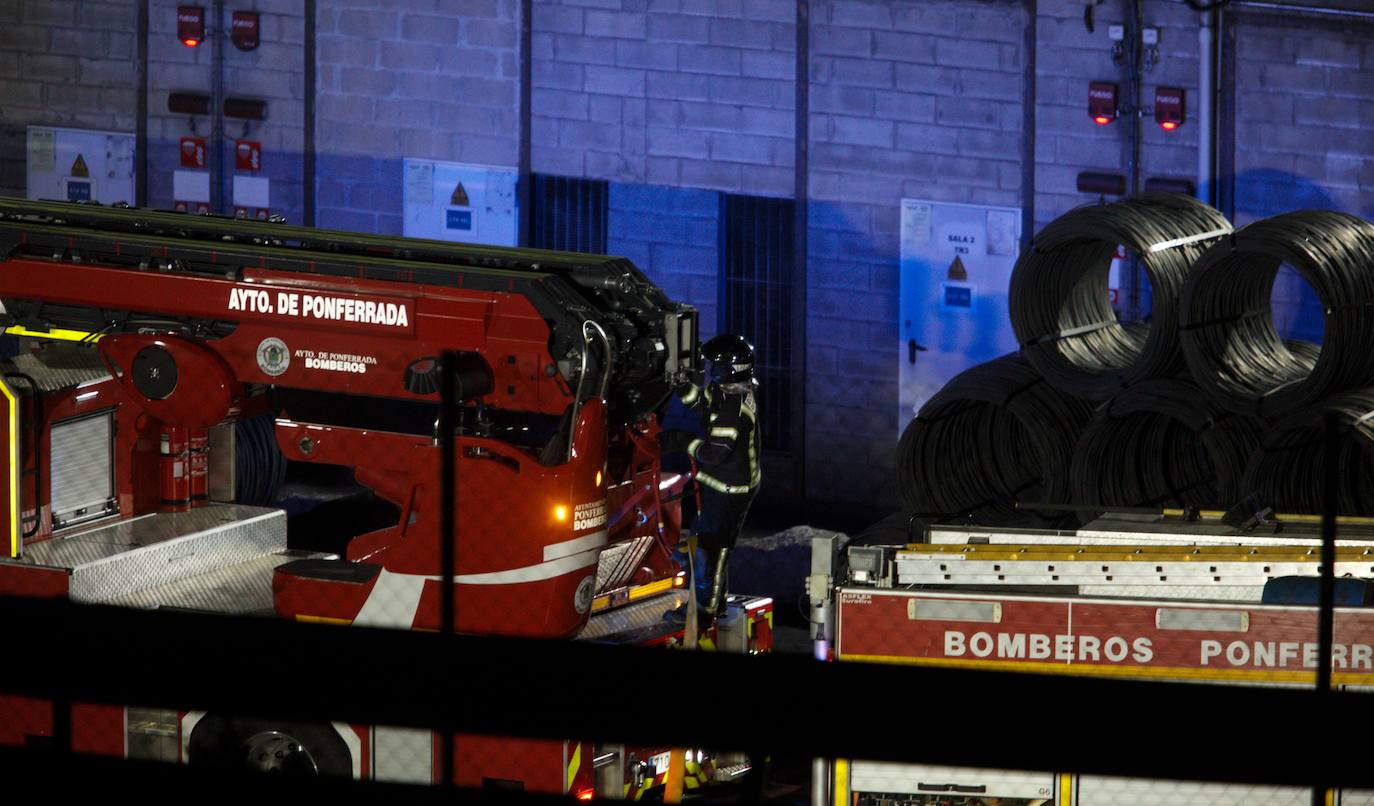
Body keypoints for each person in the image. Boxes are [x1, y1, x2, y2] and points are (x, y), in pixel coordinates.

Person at [659, 334, 762, 628]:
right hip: (727, 485)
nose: (707, 369)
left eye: (711, 365)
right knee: (714, 547)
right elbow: (703, 405)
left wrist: (683, 442)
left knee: (710, 549)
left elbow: (714, 453)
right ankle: (714, 602)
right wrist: (681, 386)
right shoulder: (729, 391)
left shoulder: (732, 408)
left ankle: (704, 612)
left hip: (729, 489)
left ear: (726, 369)